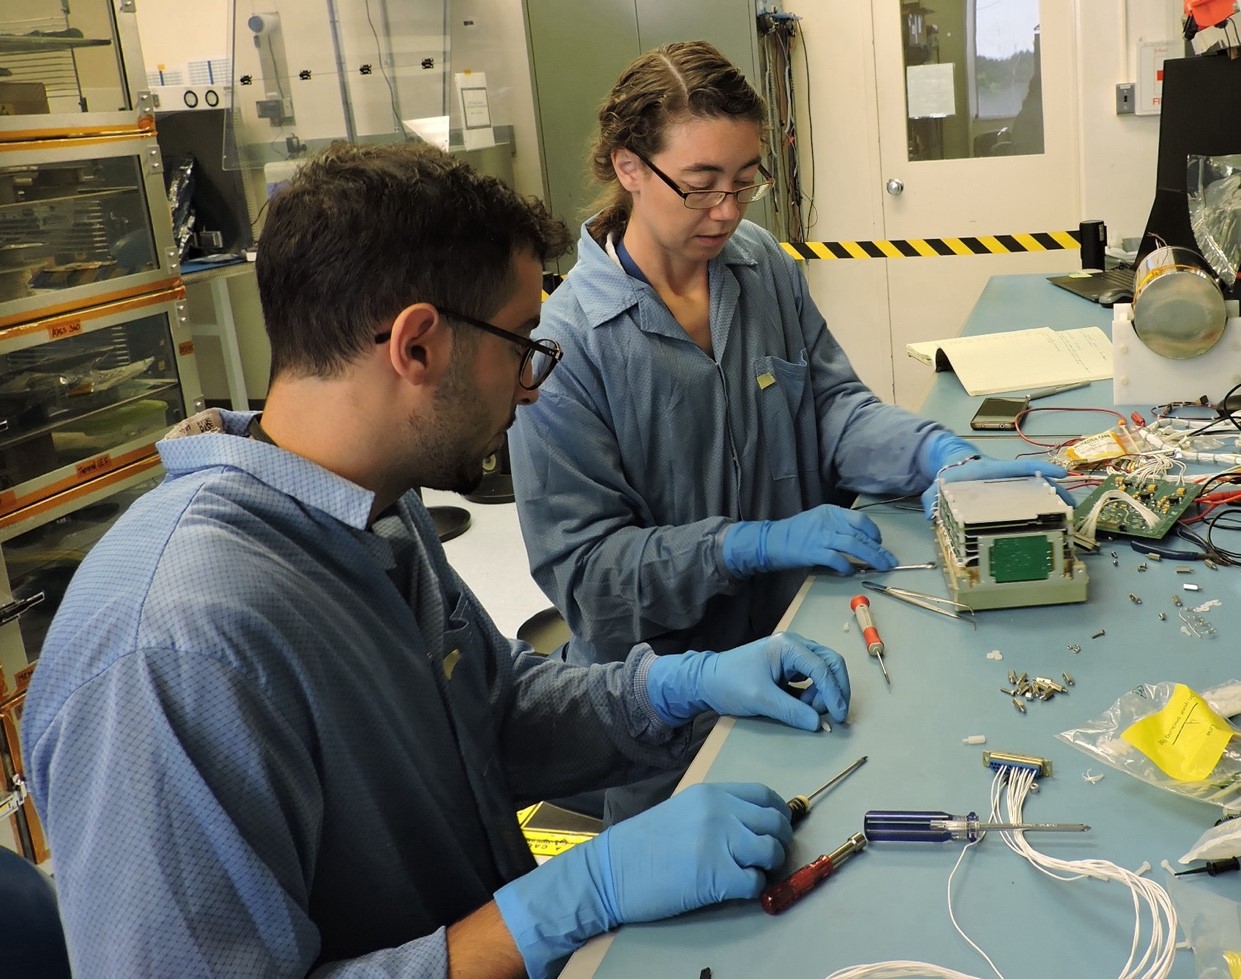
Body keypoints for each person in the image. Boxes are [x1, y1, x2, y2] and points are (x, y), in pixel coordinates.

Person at [20, 142, 857, 979]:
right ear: (416, 346)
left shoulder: (372, 502)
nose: (531, 385)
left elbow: (490, 713)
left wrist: (678, 688)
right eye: (522, 342)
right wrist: (569, 899)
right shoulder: (175, 650)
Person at [509, 42, 1065, 670]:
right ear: (629, 167)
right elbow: (587, 579)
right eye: (701, 186)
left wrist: (933, 454)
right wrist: (743, 547)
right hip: (663, 688)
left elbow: (830, 408)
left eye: (746, 182)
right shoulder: (566, 345)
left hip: (807, 624)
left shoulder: (759, 263)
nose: (727, 210)